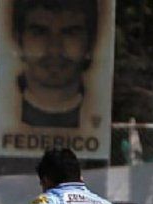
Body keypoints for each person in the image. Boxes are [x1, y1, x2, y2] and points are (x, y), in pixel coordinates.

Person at [12, 0, 98, 128]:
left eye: (70, 33)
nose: (55, 49)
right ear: (19, 39)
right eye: (40, 32)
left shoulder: (99, 114)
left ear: (90, 42)